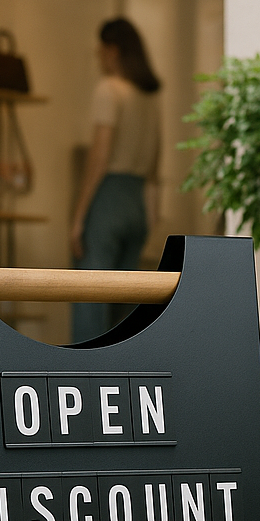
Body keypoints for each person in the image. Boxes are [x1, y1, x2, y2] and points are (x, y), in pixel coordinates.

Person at [70, 17, 162, 341]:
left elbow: (99, 157)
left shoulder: (109, 89)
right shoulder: (149, 99)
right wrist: (151, 215)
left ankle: (83, 369)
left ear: (112, 51)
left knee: (90, 297)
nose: (98, 57)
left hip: (107, 200)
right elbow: (154, 166)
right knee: (124, 305)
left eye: (99, 51)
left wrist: (78, 218)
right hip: (137, 205)